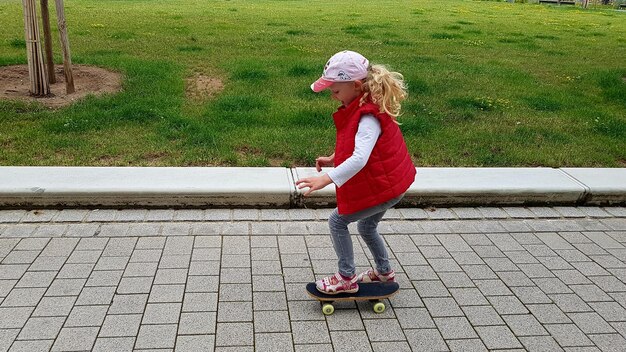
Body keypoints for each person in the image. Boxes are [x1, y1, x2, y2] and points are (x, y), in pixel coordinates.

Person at [295, 50, 416, 294]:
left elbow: (360, 158)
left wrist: (326, 179)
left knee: (337, 221)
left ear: (356, 85)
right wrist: (334, 158)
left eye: (336, 90)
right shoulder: (363, 104)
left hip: (386, 186)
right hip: (390, 182)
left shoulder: (367, 116)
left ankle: (346, 278)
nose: (333, 95)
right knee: (366, 227)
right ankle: (384, 273)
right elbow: (360, 147)